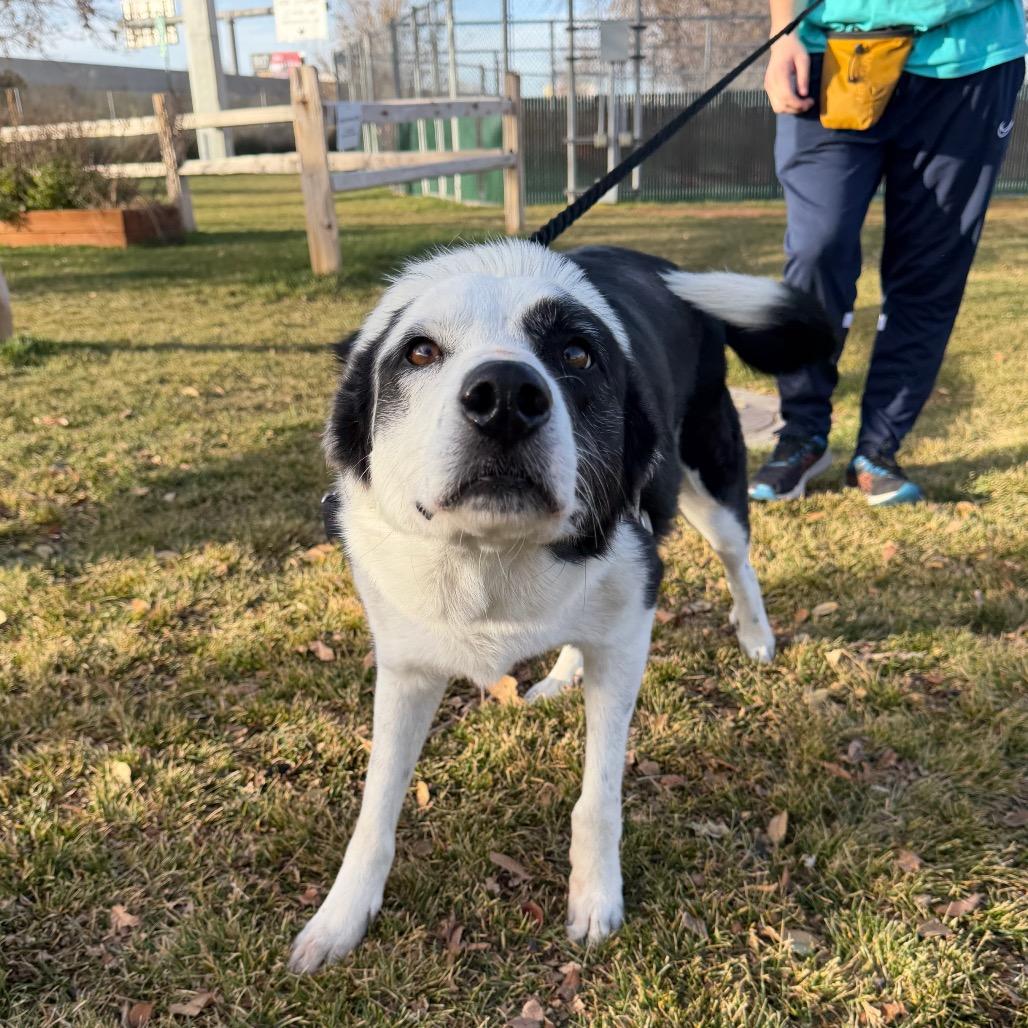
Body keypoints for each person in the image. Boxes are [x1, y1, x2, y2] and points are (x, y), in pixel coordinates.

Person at [750, 0, 1026, 505]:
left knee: (930, 266)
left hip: (971, 59)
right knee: (817, 247)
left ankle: (878, 449)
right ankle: (802, 433)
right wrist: (781, 31)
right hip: (829, 50)